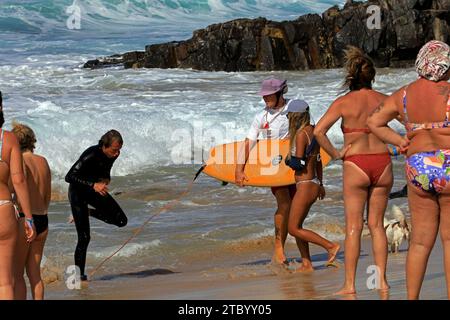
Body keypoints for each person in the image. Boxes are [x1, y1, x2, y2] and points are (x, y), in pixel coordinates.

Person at [367, 40, 450, 299]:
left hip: (418, 167)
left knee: (420, 242)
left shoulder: (404, 94)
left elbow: (374, 121)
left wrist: (400, 141)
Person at [314, 46, 392, 295]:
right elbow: (410, 123)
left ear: (352, 76)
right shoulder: (384, 100)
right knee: (377, 226)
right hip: (383, 163)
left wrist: (336, 154)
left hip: (356, 164)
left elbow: (318, 131)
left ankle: (349, 285)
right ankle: (381, 281)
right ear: (372, 77)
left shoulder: (343, 102)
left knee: (354, 228)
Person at [235, 78, 297, 265]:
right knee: (284, 204)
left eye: (268, 95)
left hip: (295, 163)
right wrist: (239, 169)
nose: (265, 99)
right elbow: (249, 143)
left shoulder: (294, 109)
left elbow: (309, 133)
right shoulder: (261, 117)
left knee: (295, 208)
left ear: (280, 93)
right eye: (263, 96)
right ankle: (279, 247)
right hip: (273, 165)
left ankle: (303, 257)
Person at [285, 99, 340, 272]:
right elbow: (318, 161)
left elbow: (299, 163)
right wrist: (321, 184)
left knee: (292, 228)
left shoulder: (301, 135)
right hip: (313, 183)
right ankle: (306, 263)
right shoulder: (315, 132)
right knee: (298, 226)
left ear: (294, 117)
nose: (287, 118)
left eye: (288, 115)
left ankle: (330, 246)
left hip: (306, 184)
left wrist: (287, 161)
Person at [65, 129, 127, 282]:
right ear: (104, 146)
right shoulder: (91, 154)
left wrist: (105, 179)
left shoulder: (112, 155)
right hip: (78, 193)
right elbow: (69, 176)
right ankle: (79, 276)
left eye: (119, 150)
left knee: (121, 221)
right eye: (114, 150)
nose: (117, 154)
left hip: (95, 190)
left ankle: (88, 212)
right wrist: (93, 184)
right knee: (84, 237)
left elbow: (105, 170)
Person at [0, 91, 35, 300]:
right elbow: (19, 180)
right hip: (3, 208)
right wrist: (28, 217)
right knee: (5, 281)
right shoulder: (8, 139)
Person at [12, 122, 51, 300]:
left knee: (17, 274)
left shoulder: (20, 161)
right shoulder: (43, 161)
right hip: (43, 219)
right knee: (35, 275)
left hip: (25, 220)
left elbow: (18, 189)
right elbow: (47, 195)